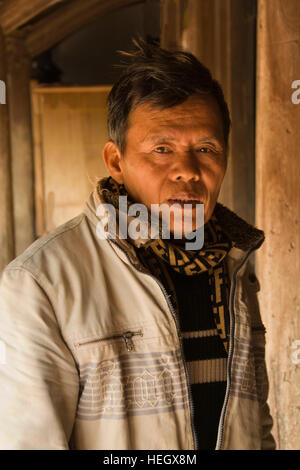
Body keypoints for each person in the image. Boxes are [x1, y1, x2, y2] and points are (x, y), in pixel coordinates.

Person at [0, 39, 275, 450]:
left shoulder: (233, 266)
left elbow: (257, 427)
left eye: (206, 148)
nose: (187, 170)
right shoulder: (41, 282)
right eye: (161, 149)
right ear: (116, 161)